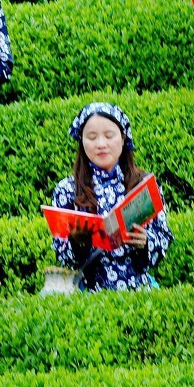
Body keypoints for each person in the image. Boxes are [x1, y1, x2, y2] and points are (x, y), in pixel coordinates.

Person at [51, 102, 173, 291]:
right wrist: (77, 245)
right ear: (81, 141)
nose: (101, 144)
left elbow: (164, 236)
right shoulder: (67, 189)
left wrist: (146, 241)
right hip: (89, 290)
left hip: (138, 289)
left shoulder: (143, 184)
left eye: (109, 136)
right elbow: (61, 253)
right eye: (92, 137)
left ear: (123, 138)